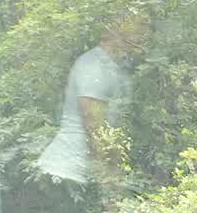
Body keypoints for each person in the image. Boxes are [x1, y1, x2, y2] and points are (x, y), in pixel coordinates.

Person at [36, 14, 147, 187]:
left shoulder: (117, 65)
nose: (144, 36)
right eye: (140, 28)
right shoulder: (94, 67)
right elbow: (93, 122)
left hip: (83, 167)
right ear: (116, 32)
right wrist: (109, 179)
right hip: (69, 170)